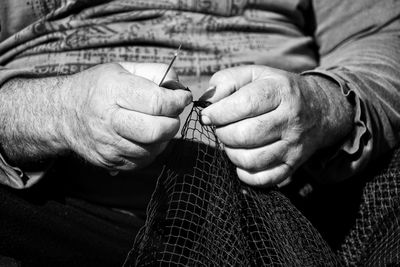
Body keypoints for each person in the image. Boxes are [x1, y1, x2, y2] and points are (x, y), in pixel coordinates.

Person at [0, 0, 399, 265]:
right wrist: (60, 110)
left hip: (300, 205)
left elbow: (382, 36)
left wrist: (322, 103)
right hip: (62, 216)